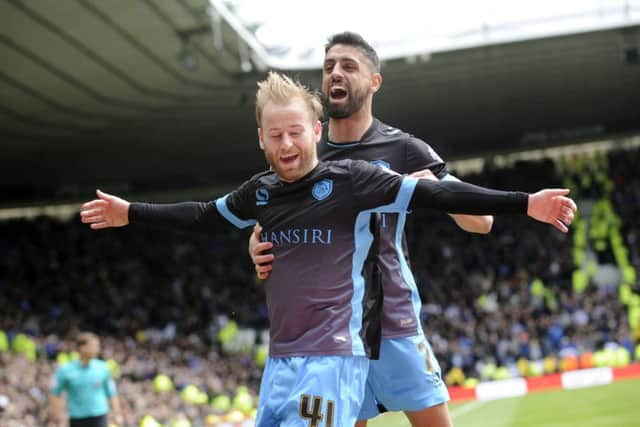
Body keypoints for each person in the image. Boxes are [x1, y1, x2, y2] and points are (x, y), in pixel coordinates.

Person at [80, 71, 576, 427]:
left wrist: (524, 202)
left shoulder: (354, 180)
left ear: (316, 131)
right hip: (281, 360)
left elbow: (438, 194)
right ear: (261, 139)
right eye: (275, 135)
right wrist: (132, 213)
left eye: (296, 131)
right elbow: (203, 216)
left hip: (333, 357)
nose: (287, 143)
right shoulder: (261, 192)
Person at [249, 31, 490, 427]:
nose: (335, 74)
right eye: (328, 68)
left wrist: (434, 188)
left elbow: (482, 222)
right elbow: (266, 224)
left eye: (348, 66)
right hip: (333, 337)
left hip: (394, 322)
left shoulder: (405, 149)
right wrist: (255, 246)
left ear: (374, 81)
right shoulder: (306, 151)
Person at [49, 332, 124, 427]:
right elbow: (55, 392)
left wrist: (117, 414)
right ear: (82, 348)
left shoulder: (102, 368)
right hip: (77, 418)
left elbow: (111, 392)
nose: (97, 349)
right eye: (93, 346)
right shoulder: (66, 370)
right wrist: (57, 416)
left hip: (99, 416)